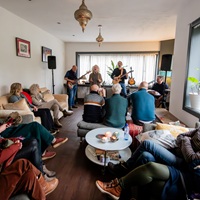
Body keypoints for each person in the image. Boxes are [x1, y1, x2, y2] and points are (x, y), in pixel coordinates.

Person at [96, 161, 200, 200]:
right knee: (151, 166)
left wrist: (196, 168)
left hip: (187, 189)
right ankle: (118, 187)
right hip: (181, 174)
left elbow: (197, 178)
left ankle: (118, 188)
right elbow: (191, 164)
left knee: (154, 183)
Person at [0, 122, 68, 160]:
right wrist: (1, 128)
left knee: (32, 128)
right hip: (4, 136)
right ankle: (52, 141)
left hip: (8, 130)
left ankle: (43, 152)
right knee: (34, 126)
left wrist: (6, 124)